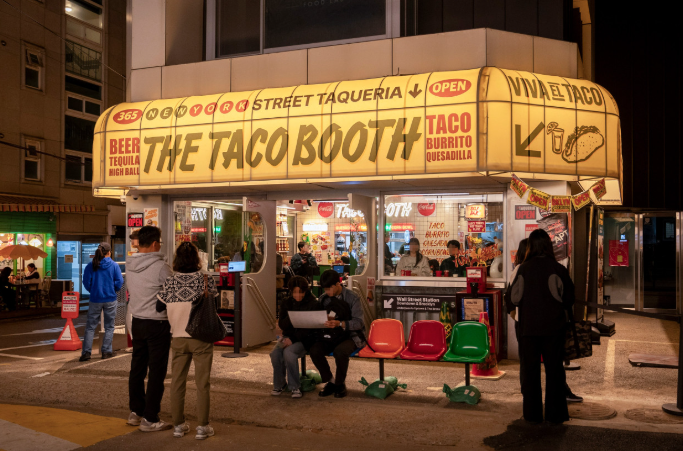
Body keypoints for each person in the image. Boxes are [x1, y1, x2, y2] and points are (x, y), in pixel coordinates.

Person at [506, 238, 583, 405]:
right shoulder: (551, 268)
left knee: (530, 367)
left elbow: (511, 299)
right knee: (552, 366)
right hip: (548, 326)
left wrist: (518, 316)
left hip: (527, 326)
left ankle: (531, 407)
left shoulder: (523, 269)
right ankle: (554, 407)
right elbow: (568, 298)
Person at [156, 242, 218, 440]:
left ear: (177, 259)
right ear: (197, 258)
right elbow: (213, 304)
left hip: (178, 338)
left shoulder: (170, 282)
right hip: (201, 338)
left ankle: (178, 425)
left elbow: (159, 306)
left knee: (177, 382)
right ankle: (203, 427)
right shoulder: (205, 280)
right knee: (202, 384)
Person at [125, 226, 174, 432]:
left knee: (137, 367)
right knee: (156, 371)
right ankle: (150, 418)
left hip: (137, 321)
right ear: (154, 244)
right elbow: (173, 292)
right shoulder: (161, 267)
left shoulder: (130, 264)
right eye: (159, 242)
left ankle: (136, 412)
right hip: (157, 323)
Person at [309, 269, 366, 399]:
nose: (327, 292)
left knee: (340, 352)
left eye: (329, 289)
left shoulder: (352, 297)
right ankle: (331, 381)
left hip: (350, 336)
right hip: (329, 335)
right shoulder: (323, 299)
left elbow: (359, 323)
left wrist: (340, 323)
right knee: (314, 350)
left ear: (337, 284)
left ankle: (340, 384)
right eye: (325, 289)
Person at [270, 276, 322, 398]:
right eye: (294, 292)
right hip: (288, 337)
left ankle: (295, 387)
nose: (298, 295)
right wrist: (292, 316)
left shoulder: (313, 304)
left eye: (301, 292)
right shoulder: (286, 303)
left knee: (289, 353)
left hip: (305, 339)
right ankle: (280, 384)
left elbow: (311, 329)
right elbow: (282, 325)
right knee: (275, 354)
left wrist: (292, 339)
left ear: (305, 291)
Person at [80, 242, 124, 362]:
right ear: (109, 252)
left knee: (90, 327)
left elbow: (86, 282)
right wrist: (113, 289)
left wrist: (93, 290)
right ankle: (106, 351)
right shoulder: (114, 265)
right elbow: (119, 281)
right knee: (109, 326)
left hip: (95, 299)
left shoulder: (91, 265)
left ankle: (86, 353)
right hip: (110, 299)